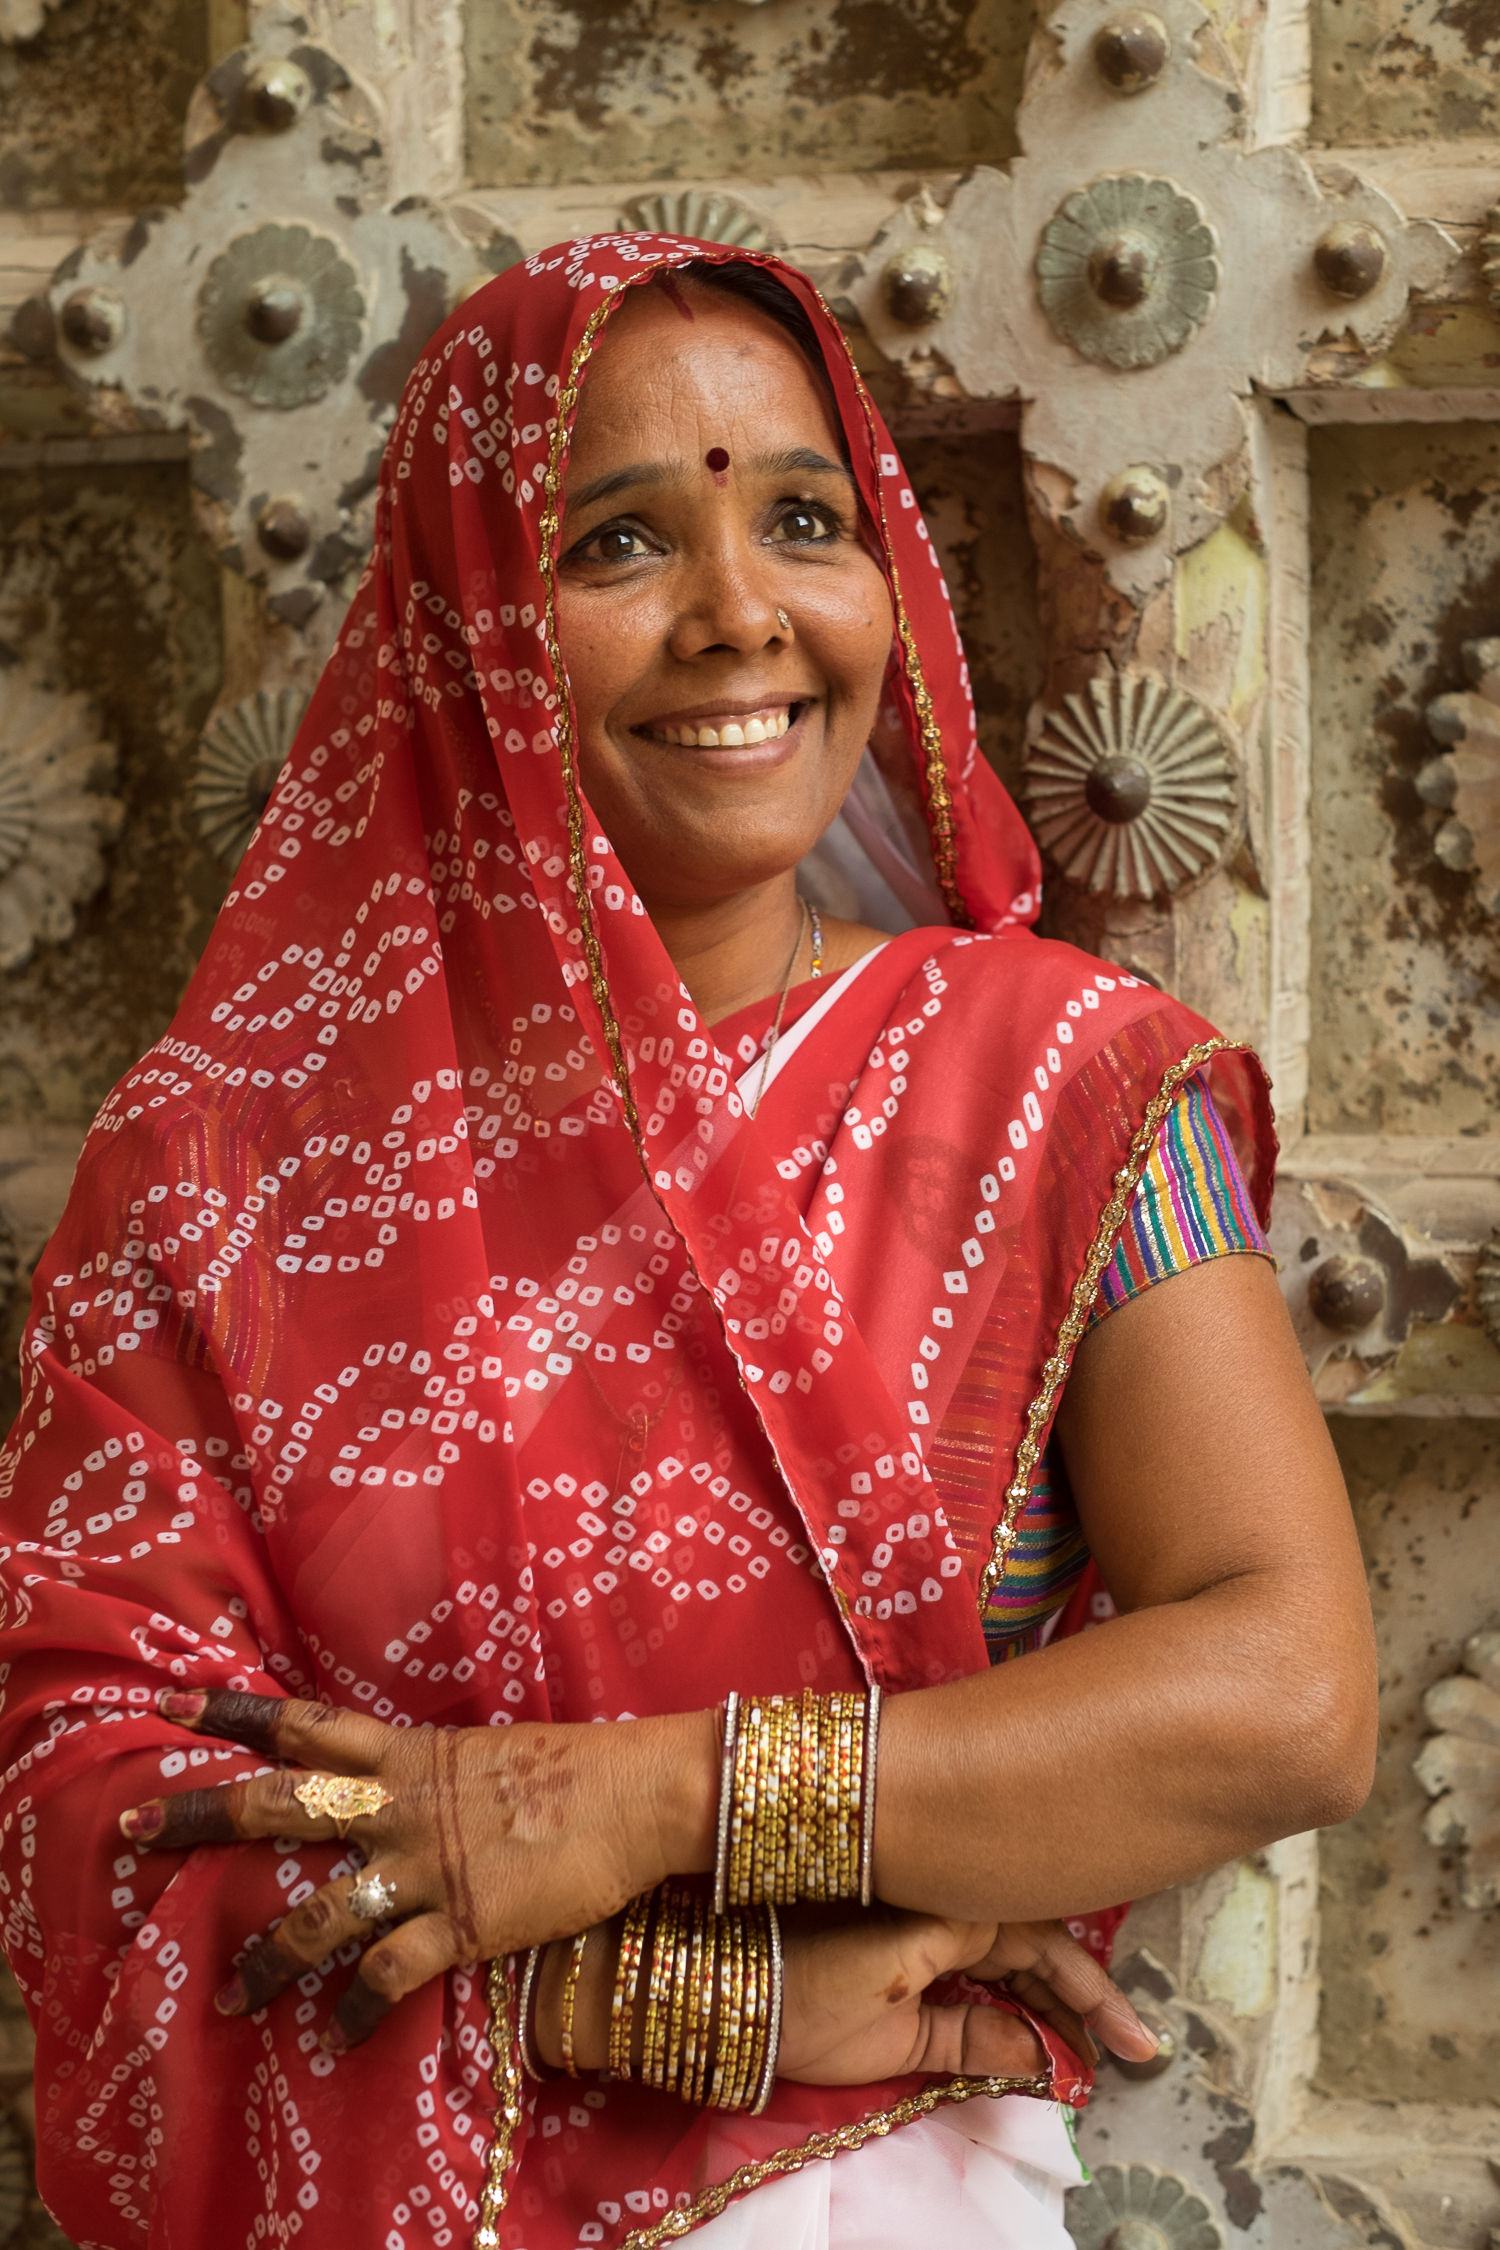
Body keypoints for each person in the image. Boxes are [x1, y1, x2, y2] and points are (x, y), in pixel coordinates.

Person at [0, 236, 1375, 2250]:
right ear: (473, 617)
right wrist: (694, 1997)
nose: (742, 617)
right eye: (619, 544)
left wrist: (636, 1803)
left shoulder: (1062, 1081)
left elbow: (1285, 1694)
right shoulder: (216, 1180)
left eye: (805, 521)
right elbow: (84, 1809)